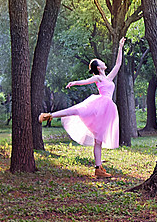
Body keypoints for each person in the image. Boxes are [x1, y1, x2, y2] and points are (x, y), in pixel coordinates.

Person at [39, 38, 125, 178]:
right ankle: (48, 115)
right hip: (100, 104)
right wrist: (74, 83)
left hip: (106, 109)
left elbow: (118, 64)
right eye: (101, 62)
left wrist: (120, 47)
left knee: (98, 141)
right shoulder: (98, 78)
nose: (103, 62)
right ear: (98, 67)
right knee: (76, 110)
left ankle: (98, 169)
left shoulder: (108, 78)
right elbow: (86, 81)